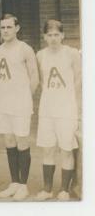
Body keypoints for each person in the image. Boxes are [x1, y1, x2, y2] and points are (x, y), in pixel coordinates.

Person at [34, 20, 81, 201]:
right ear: (44, 37)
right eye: (49, 35)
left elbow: (78, 79)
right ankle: (47, 189)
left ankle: (64, 189)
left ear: (62, 35)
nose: (53, 38)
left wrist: (73, 104)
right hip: (47, 108)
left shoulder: (72, 54)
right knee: (48, 149)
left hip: (66, 108)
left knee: (66, 149)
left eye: (56, 35)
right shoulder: (40, 55)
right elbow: (41, 81)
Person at [0, 14, 39, 200]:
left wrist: (26, 98)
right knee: (9, 141)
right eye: (3, 27)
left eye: (9, 27)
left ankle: (23, 185)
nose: (5, 31)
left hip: (20, 101)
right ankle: (13, 183)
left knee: (22, 142)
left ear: (17, 28)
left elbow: (34, 76)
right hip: (3, 101)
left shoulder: (25, 49)